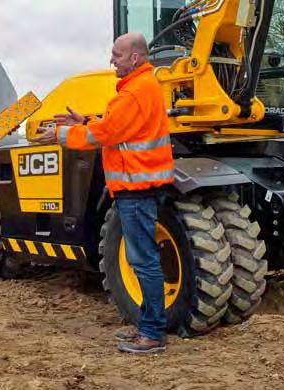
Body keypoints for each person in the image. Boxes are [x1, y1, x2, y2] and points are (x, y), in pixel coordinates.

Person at [34, 32, 174, 354]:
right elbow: (118, 127)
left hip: (135, 188)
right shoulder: (143, 87)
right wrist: (84, 120)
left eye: (117, 54)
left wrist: (60, 133)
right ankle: (146, 326)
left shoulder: (134, 92)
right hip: (139, 186)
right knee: (143, 259)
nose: (112, 60)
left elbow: (106, 134)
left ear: (134, 58)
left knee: (144, 262)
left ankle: (151, 334)